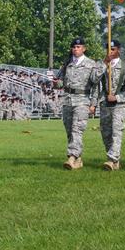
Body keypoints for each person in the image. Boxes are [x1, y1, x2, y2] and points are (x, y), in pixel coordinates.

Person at [54, 37, 100, 170]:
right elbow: (61, 82)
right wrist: (57, 83)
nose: (76, 49)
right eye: (74, 47)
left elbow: (95, 86)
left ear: (84, 49)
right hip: (68, 100)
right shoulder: (67, 63)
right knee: (69, 130)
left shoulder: (91, 64)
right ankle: (78, 159)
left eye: (78, 47)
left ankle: (71, 157)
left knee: (77, 129)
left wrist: (93, 104)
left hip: (82, 100)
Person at [97, 40, 125, 171]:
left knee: (116, 131)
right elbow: (94, 79)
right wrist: (104, 64)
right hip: (105, 102)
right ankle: (115, 160)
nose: (110, 52)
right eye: (108, 49)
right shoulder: (102, 65)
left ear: (118, 50)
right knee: (106, 132)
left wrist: (117, 97)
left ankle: (111, 159)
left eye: (113, 49)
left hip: (119, 104)